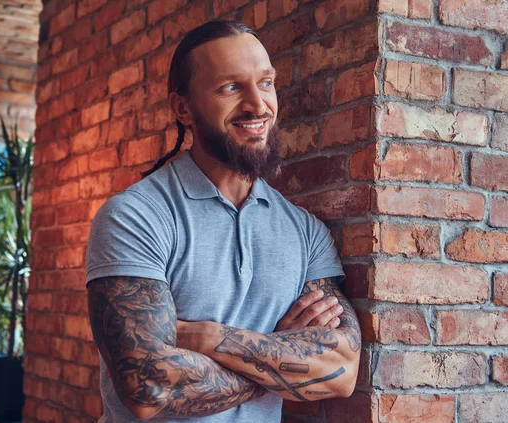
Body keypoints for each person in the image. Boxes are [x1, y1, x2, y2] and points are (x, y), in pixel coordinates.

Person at [85, 20, 361, 423]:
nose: (257, 104)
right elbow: (148, 388)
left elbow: (342, 372)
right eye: (230, 88)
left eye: (265, 83)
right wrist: (279, 356)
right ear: (183, 109)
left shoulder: (305, 231)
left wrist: (210, 338)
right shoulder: (135, 217)